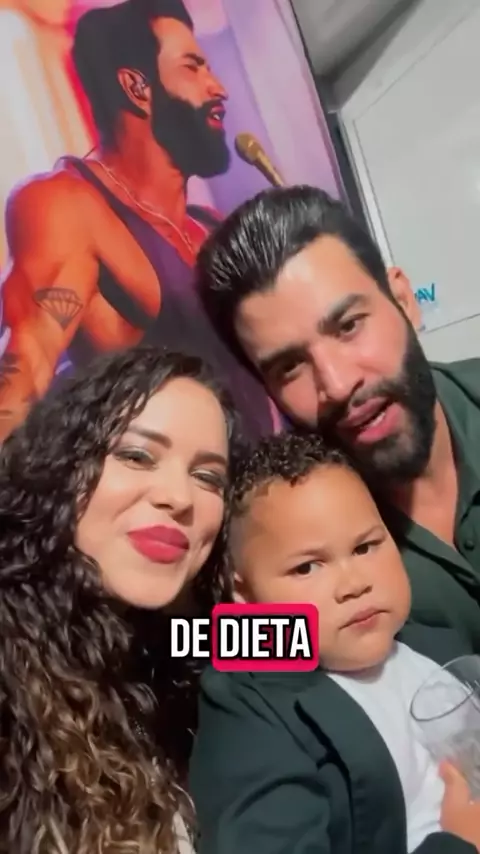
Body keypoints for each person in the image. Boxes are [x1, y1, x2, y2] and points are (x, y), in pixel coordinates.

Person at [196, 184, 480, 648]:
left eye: (348, 326)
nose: (338, 383)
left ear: (403, 300)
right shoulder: (274, 527)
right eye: (290, 366)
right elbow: (202, 648)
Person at [190, 431, 480, 854]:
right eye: (307, 567)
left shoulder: (436, 640)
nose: (354, 584)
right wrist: (459, 844)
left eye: (365, 547)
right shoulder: (247, 705)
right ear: (246, 594)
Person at [0, 0, 276, 441]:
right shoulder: (68, 205)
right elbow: (28, 366)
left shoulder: (211, 226)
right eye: (193, 68)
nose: (218, 87)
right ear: (137, 87)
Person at [0, 343, 236, 853]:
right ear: (62, 467)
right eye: (136, 456)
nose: (178, 497)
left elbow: (309, 639)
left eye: (208, 477)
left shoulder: (177, 641)